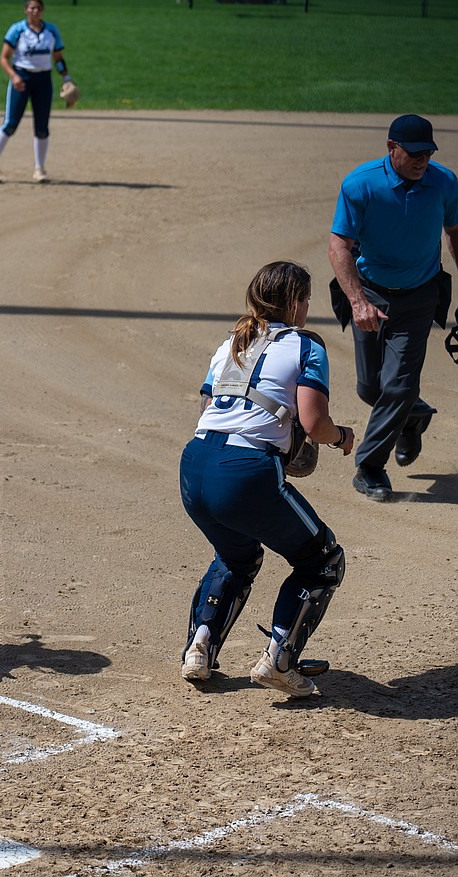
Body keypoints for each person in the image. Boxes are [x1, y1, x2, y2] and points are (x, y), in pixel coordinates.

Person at [178, 261, 355, 699]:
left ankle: (200, 647)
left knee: (236, 556)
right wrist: (341, 437)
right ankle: (279, 661)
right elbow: (314, 423)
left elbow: (208, 411)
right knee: (323, 561)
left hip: (195, 465)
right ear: (295, 303)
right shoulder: (305, 347)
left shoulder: (230, 344)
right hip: (246, 474)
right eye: (307, 299)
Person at [328, 114, 458, 502]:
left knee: (399, 384)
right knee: (371, 387)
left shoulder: (444, 183)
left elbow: (455, 234)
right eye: (415, 153)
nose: (422, 161)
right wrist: (358, 301)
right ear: (392, 148)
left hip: (420, 294)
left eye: (428, 154)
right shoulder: (361, 184)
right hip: (371, 294)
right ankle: (411, 414)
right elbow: (339, 247)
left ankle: (369, 466)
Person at [0, 0, 73, 185]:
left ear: (42, 10)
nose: (35, 11)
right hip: (22, 79)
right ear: (25, 10)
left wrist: (67, 78)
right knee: (10, 124)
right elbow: (4, 58)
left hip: (43, 81)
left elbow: (58, 58)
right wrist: (14, 76)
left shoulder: (51, 31)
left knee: (42, 127)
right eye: (31, 8)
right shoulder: (17, 30)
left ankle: (40, 169)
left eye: (38, 8)